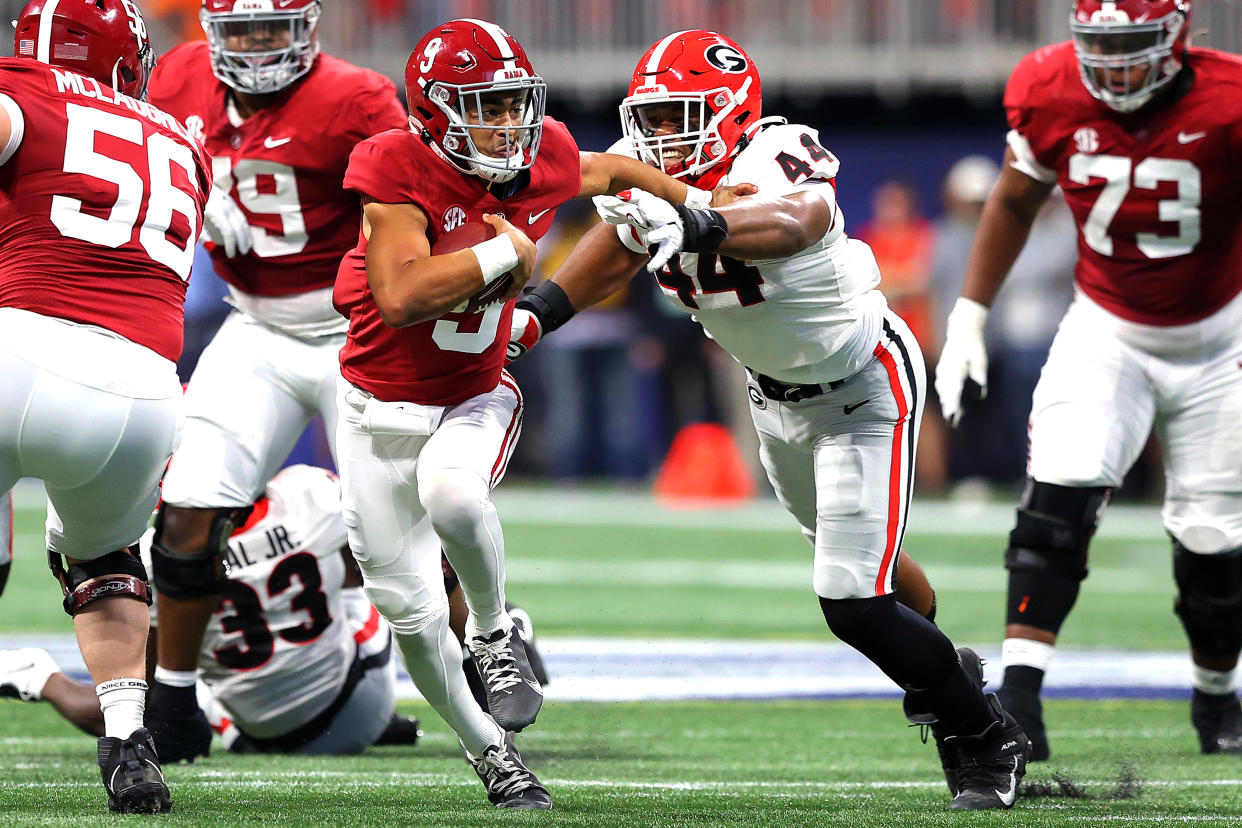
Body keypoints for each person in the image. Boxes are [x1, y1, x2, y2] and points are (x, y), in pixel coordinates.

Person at [507, 30, 1030, 811]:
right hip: (772, 399)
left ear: (729, 110)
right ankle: (945, 671)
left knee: (851, 599)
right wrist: (537, 315)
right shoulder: (649, 169)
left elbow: (798, 222)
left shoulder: (776, 151)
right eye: (651, 117)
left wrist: (697, 223)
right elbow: (617, 243)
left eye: (681, 114)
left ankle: (986, 736)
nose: (661, 136)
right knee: (871, 581)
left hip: (863, 387)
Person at [333, 18, 726, 811]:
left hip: (475, 393)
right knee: (410, 621)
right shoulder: (392, 164)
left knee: (453, 494)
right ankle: (492, 756)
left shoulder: (539, 157)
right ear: (437, 111)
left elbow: (613, 171)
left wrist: (698, 207)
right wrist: (501, 257)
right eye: (486, 106)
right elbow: (402, 295)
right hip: (373, 410)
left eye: (515, 103)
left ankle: (493, 631)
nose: (508, 124)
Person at [934, 0, 1242, 762]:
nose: (1112, 64)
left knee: (1212, 539)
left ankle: (1216, 695)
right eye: (1097, 45)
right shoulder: (1048, 86)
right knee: (1057, 496)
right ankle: (1021, 701)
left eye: (1131, 44)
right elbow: (1013, 197)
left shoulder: (1230, 98)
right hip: (1108, 324)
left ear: (1176, 37)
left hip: (1222, 334)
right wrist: (969, 316)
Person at [141, 0, 408, 764]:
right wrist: (194, 192)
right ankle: (176, 700)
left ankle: (486, 647)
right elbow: (138, 154)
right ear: (213, 36)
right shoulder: (181, 77)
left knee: (393, 521)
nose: (259, 46)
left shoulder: (354, 98)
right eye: (243, 31)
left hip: (351, 326)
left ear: (307, 28)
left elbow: (412, 206)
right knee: (186, 518)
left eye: (273, 28)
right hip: (254, 324)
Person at [0, 0, 210, 813]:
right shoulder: (180, 140)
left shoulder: (22, 90)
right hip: (146, 392)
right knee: (104, 560)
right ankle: (128, 736)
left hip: (19, 349)